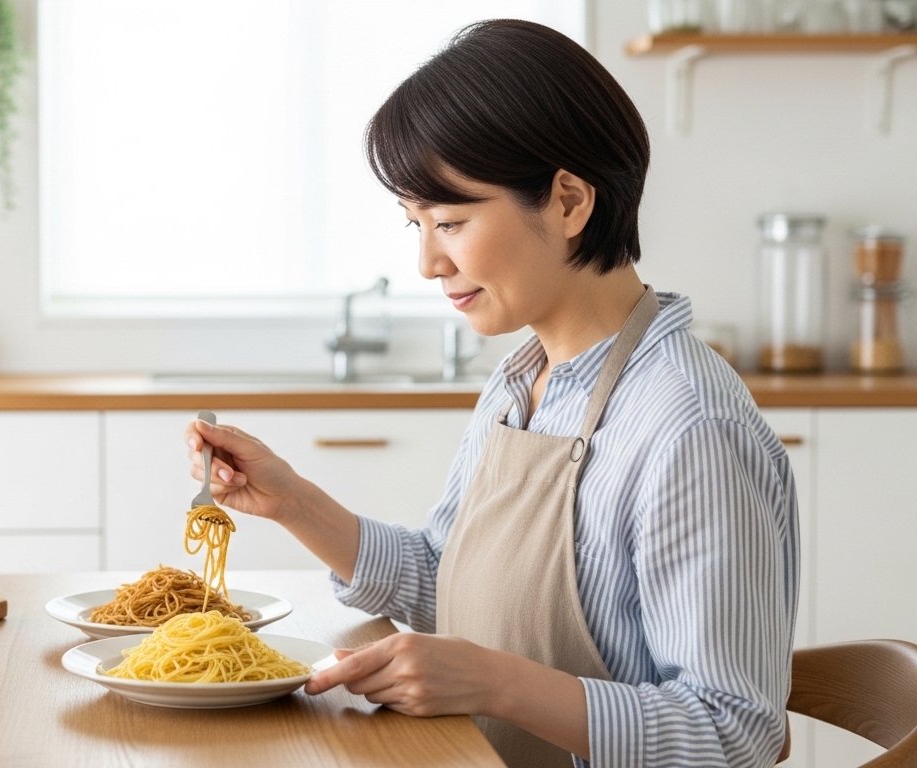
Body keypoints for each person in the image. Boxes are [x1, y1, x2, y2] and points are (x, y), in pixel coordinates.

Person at [185, 19, 797, 768]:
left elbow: (736, 733)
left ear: (569, 202)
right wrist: (291, 501)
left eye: (450, 221)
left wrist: (498, 684)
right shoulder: (522, 382)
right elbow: (451, 582)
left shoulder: (686, 425)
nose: (427, 262)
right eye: (415, 223)